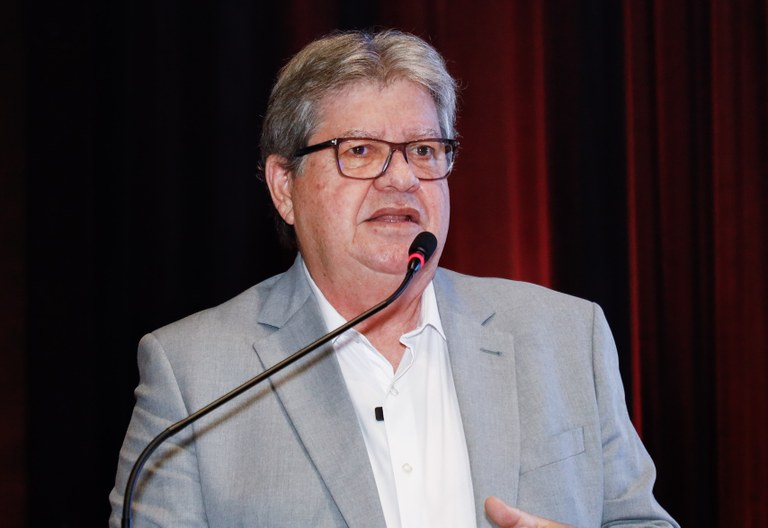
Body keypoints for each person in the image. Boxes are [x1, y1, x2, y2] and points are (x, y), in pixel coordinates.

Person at [109, 29, 679, 527]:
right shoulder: (194, 376)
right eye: (360, 150)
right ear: (285, 187)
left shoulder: (566, 336)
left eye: (424, 150)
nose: (402, 178)